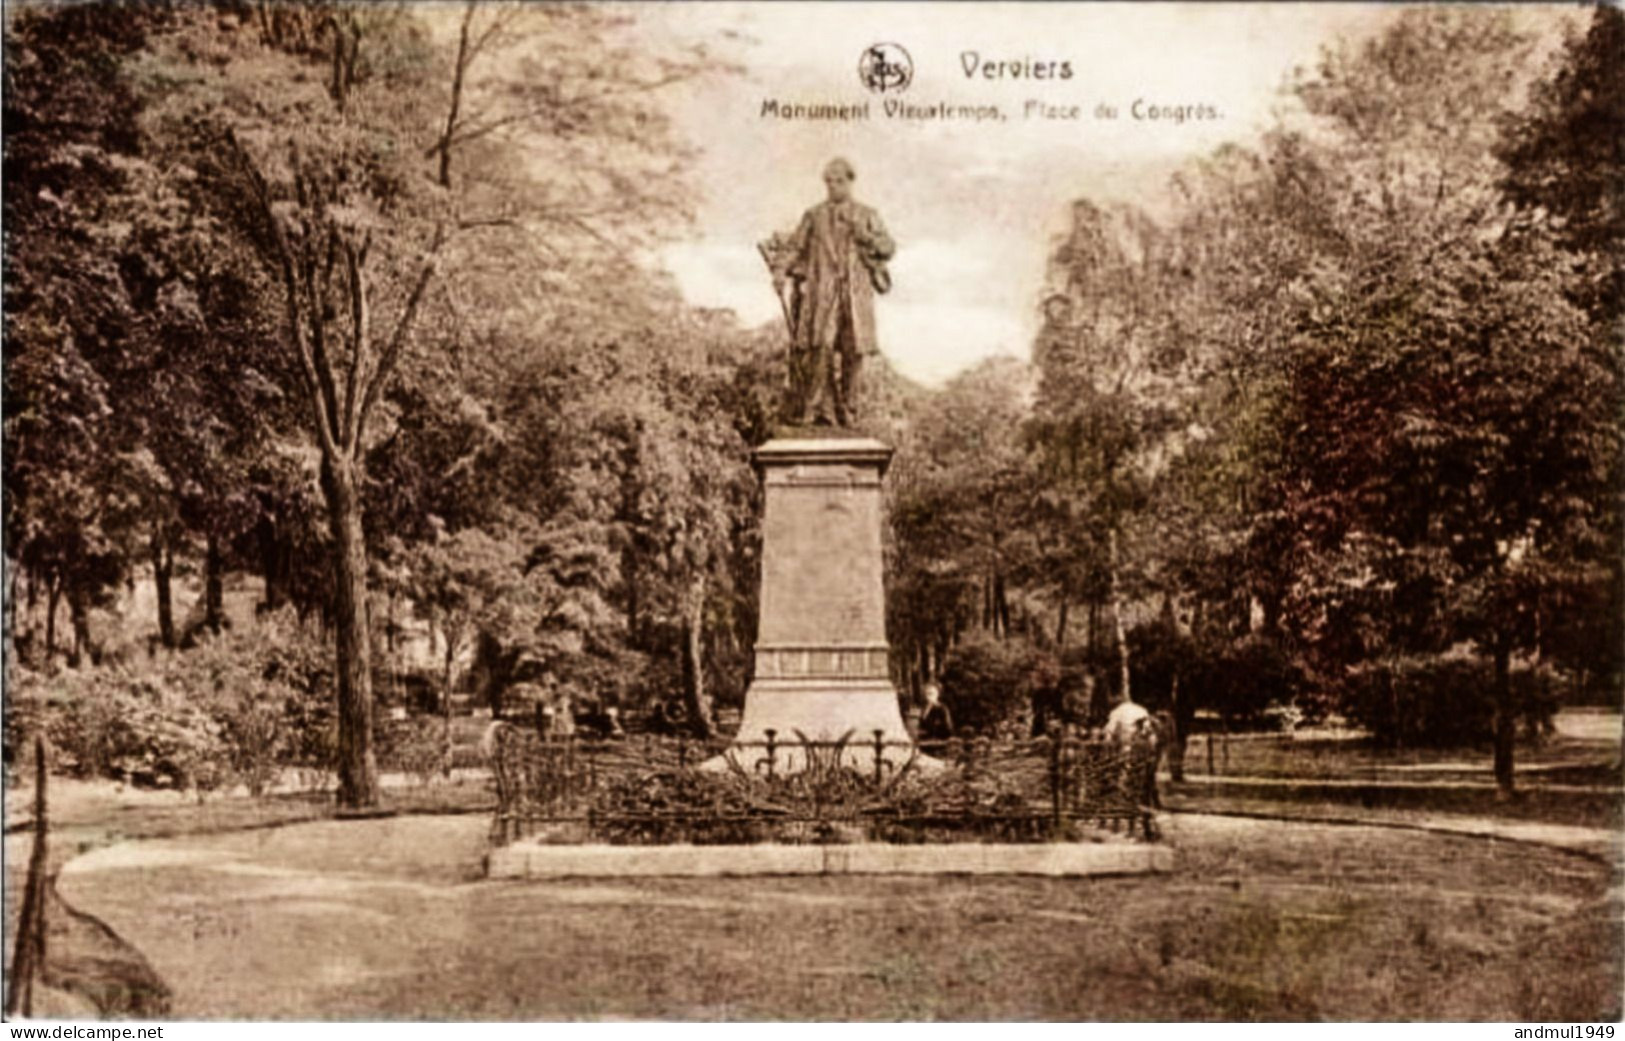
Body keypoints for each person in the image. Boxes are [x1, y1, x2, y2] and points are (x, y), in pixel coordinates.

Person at [770, 157, 896, 427]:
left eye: (839, 181)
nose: (833, 186)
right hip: (824, 294)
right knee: (821, 347)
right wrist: (780, 271)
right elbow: (794, 247)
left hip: (854, 294)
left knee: (853, 351)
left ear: (850, 181)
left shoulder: (867, 215)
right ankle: (814, 409)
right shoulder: (814, 216)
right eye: (829, 181)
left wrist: (865, 236)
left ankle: (849, 409)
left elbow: (888, 248)